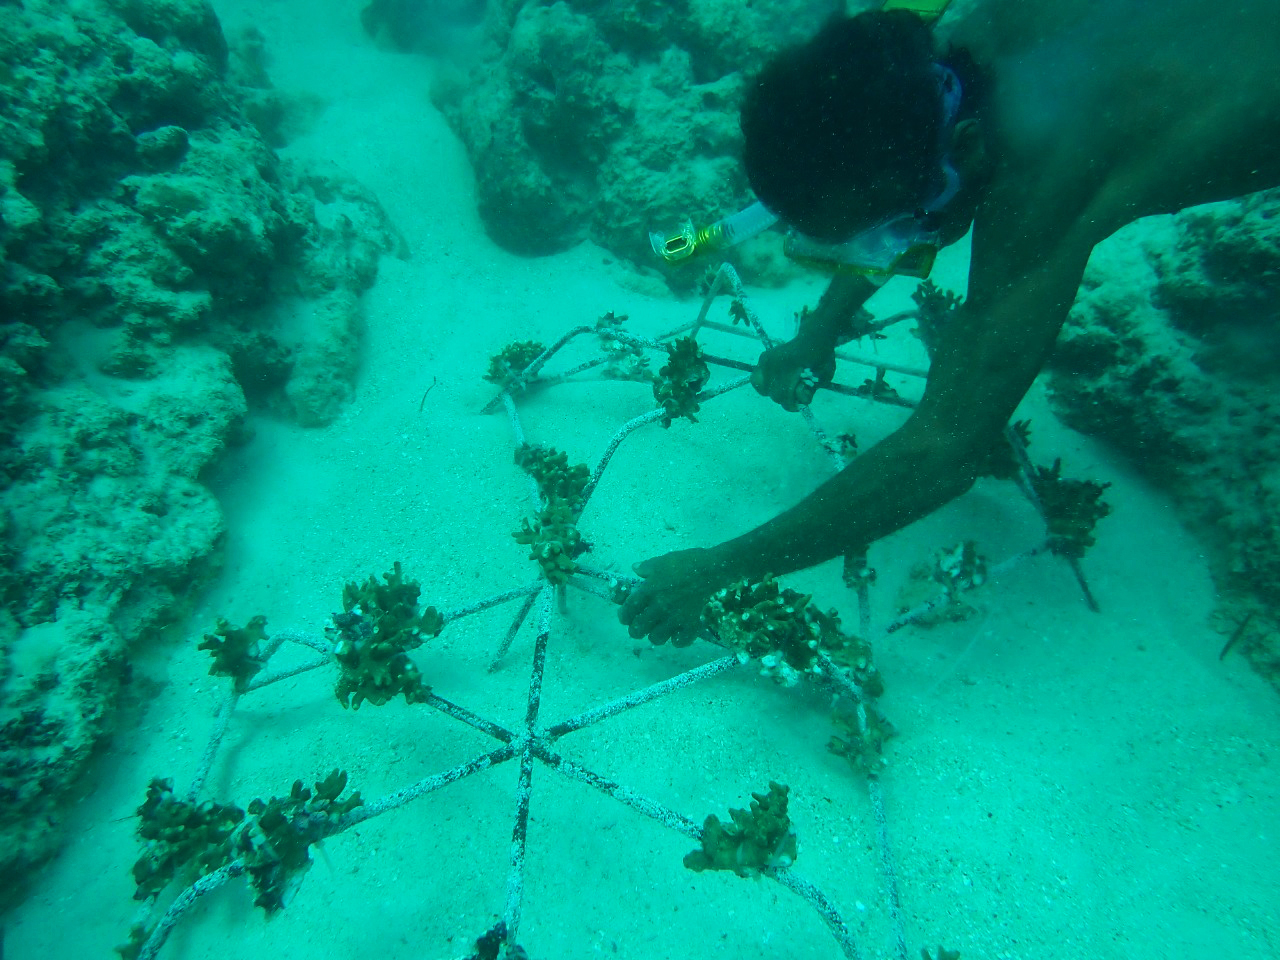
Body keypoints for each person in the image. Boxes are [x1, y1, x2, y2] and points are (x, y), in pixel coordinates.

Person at [620, 0, 1280, 644]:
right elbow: (896, 196)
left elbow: (946, 451)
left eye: (882, 237)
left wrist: (722, 566)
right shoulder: (934, 43)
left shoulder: (1044, 177)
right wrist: (821, 330)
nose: (876, 255)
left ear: (963, 147)